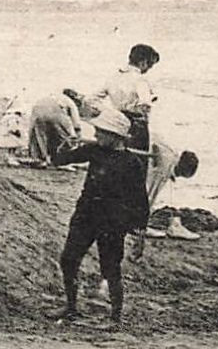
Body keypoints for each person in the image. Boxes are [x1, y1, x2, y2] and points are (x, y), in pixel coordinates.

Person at [48, 108, 149, 327]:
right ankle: (71, 307)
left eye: (100, 132)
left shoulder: (132, 164)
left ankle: (115, 317)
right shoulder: (94, 150)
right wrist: (63, 145)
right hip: (86, 215)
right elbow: (59, 160)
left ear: (115, 136)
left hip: (112, 222)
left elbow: (140, 200)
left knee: (111, 268)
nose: (95, 135)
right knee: (69, 260)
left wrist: (140, 233)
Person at [134, 135, 201, 247]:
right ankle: (136, 224)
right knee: (147, 191)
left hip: (148, 147)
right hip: (146, 154)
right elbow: (150, 191)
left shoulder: (172, 155)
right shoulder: (165, 165)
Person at [26, 89, 83, 165]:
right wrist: (78, 136)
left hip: (37, 110)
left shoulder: (52, 96)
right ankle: (63, 161)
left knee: (40, 136)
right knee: (65, 138)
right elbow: (76, 123)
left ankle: (42, 159)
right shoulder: (70, 102)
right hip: (55, 112)